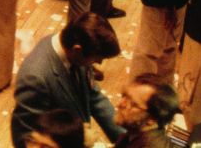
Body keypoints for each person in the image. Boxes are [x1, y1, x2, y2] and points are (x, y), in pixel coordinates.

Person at [10, 13, 124, 148]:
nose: (98, 62)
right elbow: (25, 135)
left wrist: (126, 138)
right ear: (77, 50)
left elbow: (94, 97)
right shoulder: (35, 78)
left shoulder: (73, 48)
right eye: (96, 58)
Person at [113, 75, 178, 148]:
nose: (118, 104)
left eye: (132, 104)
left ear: (152, 119)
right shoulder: (133, 135)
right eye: (124, 96)